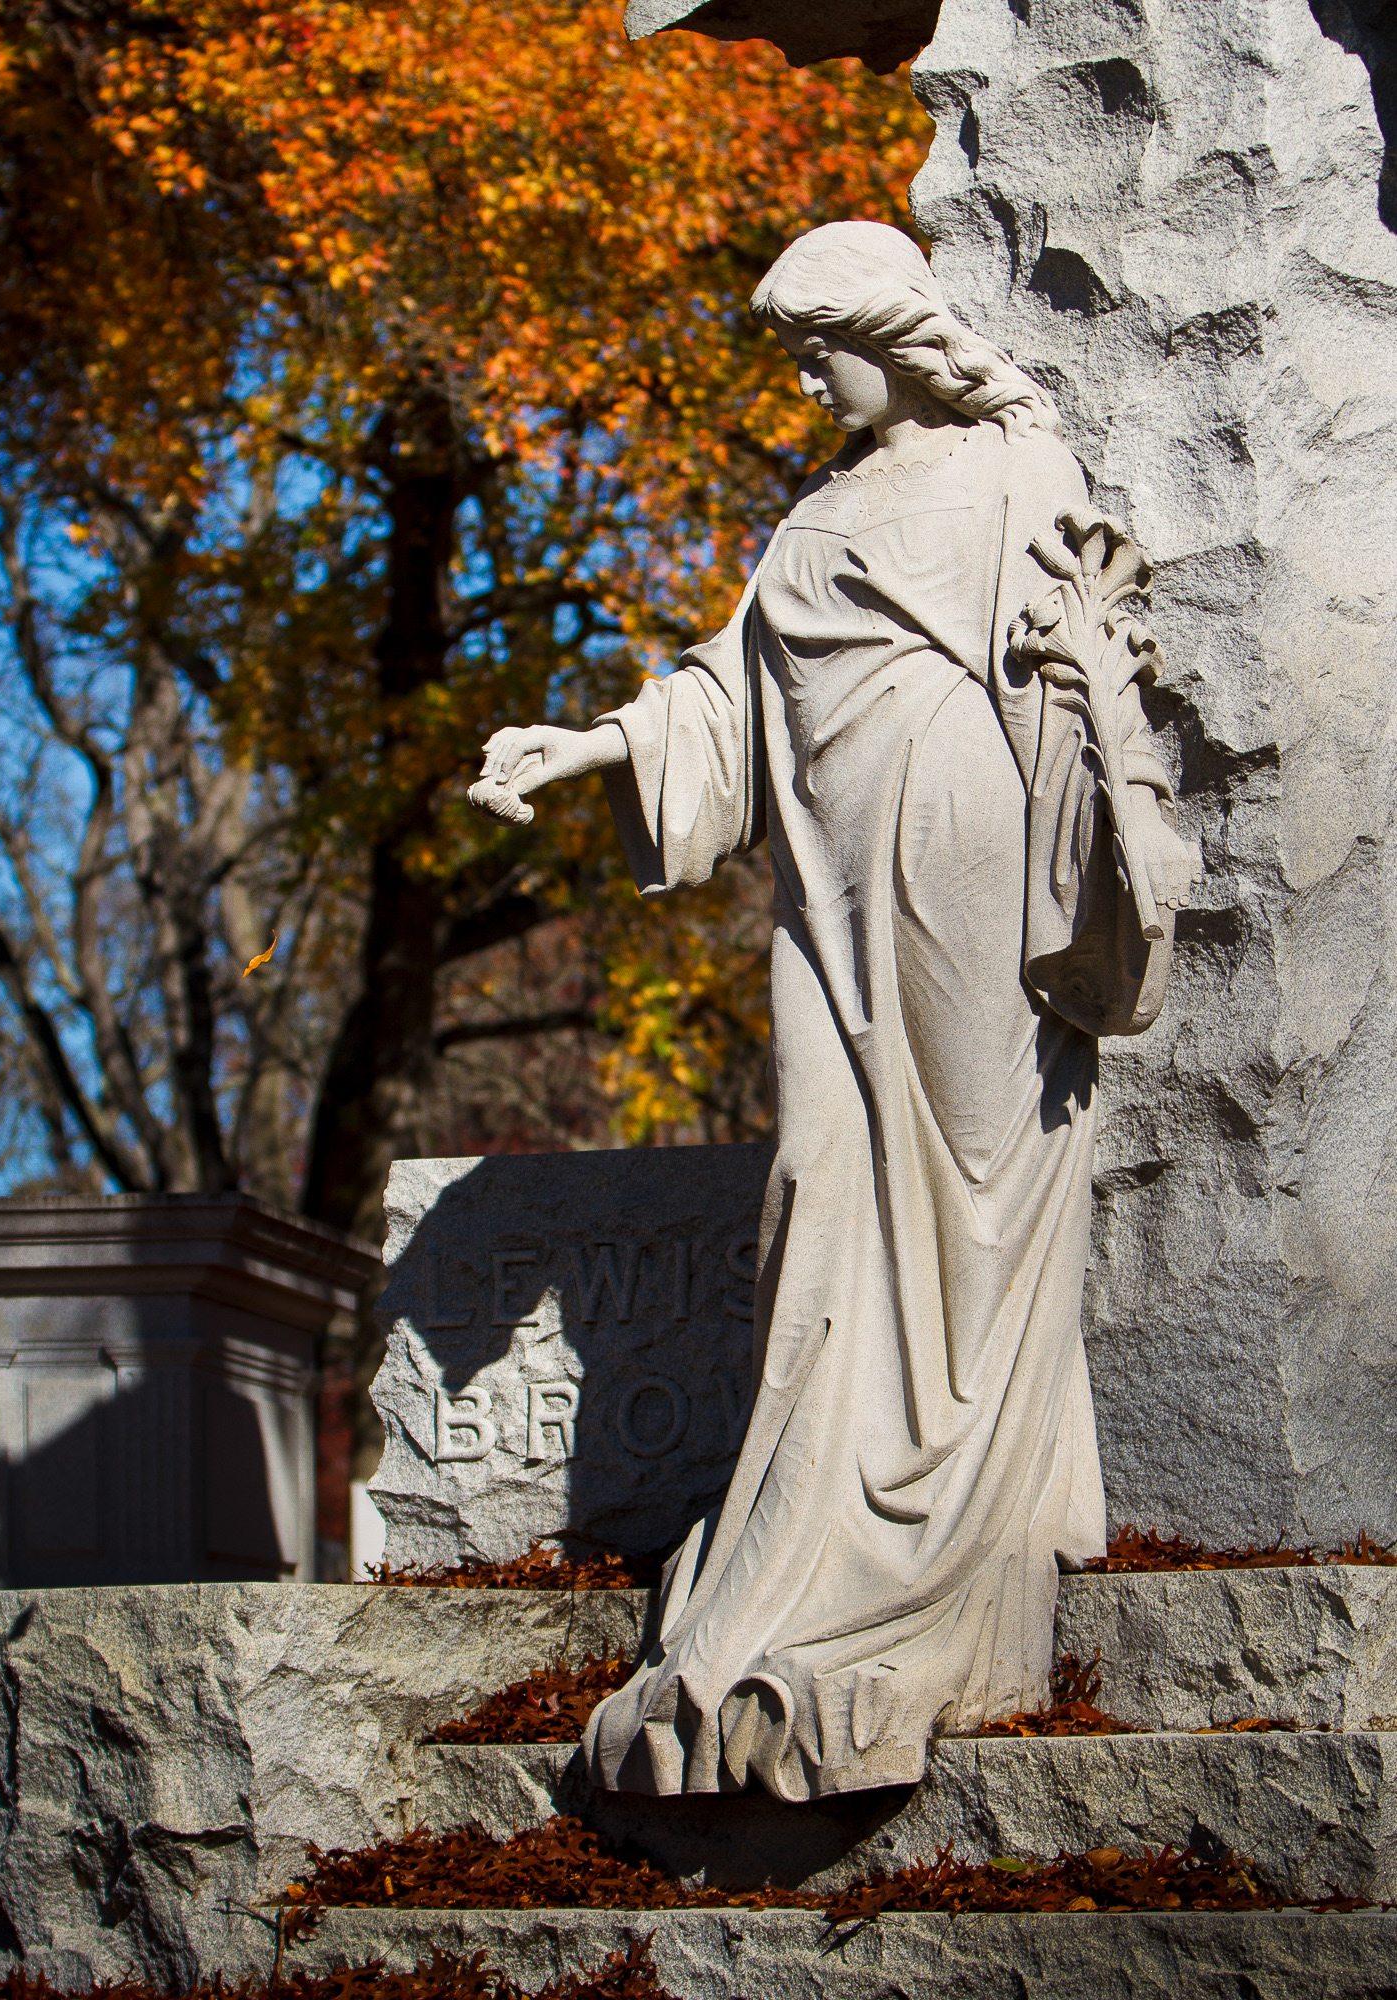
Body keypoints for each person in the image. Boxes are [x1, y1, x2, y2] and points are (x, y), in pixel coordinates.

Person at [468, 220, 1201, 1803]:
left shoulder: (1013, 470)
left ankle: (949, 1552)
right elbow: (730, 693)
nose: (806, 381)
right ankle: (813, 1543)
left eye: (821, 349)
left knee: (972, 1201)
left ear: (893, 334)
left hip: (964, 853)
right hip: (827, 880)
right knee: (815, 1176)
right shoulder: (817, 510)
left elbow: (1076, 677)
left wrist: (1099, 851)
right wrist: (589, 745)